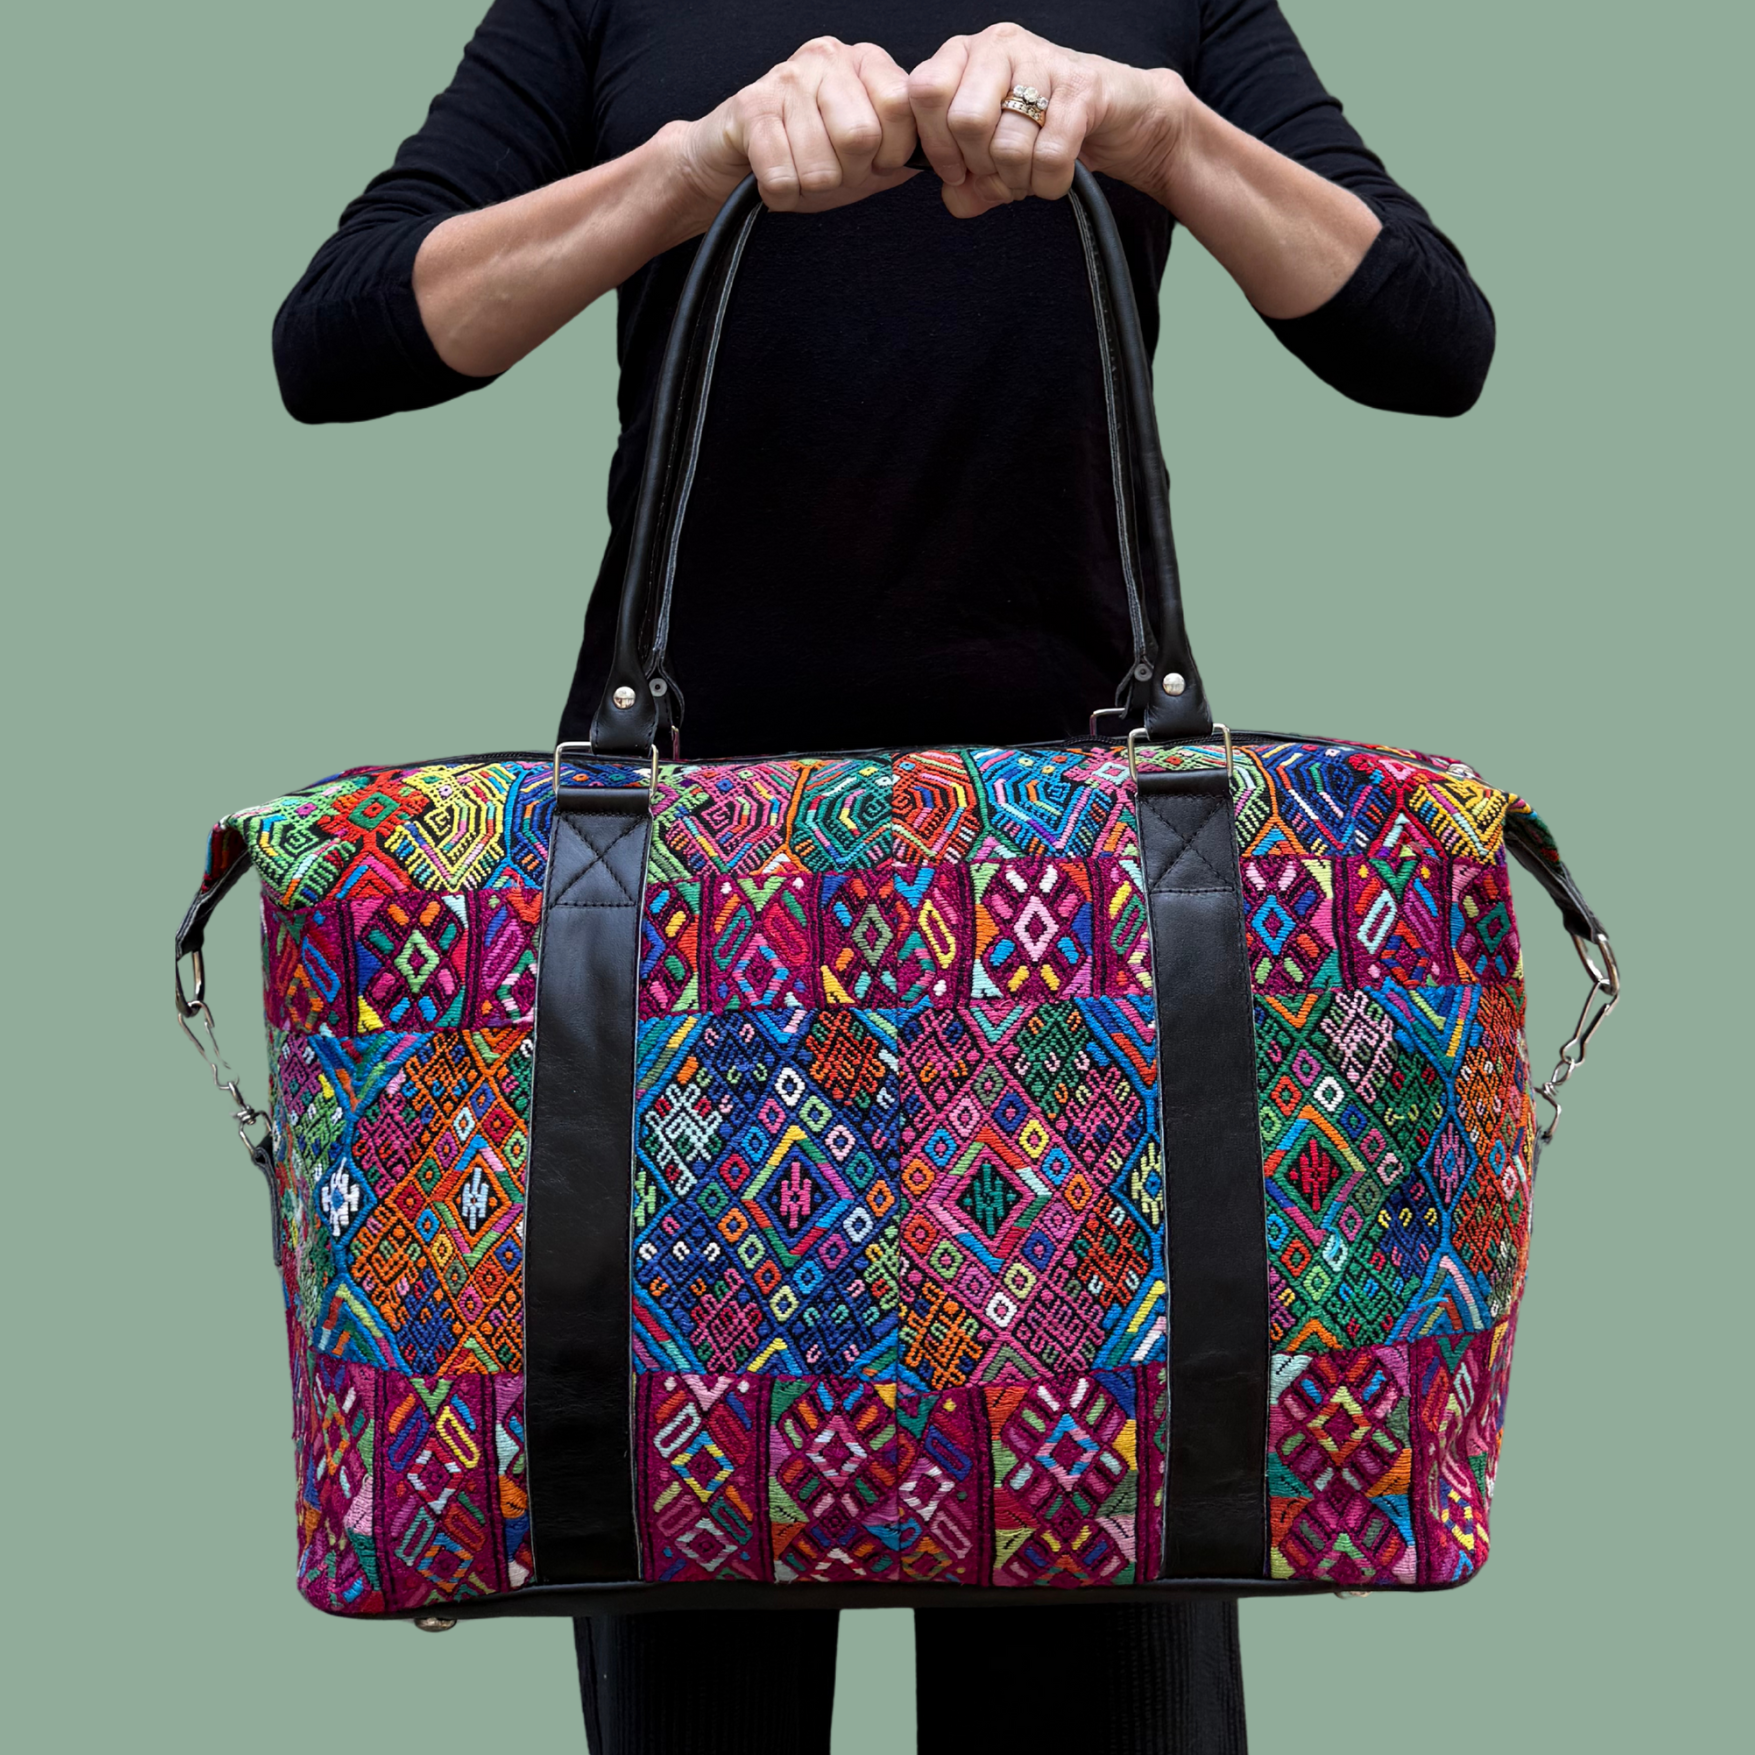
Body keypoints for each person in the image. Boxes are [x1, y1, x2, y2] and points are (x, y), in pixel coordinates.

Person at [275, 7, 1493, 1751]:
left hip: (1101, 982)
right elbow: (338, 336)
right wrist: (691, 166)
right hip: (685, 972)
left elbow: (1429, 338)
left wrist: (1159, 133)